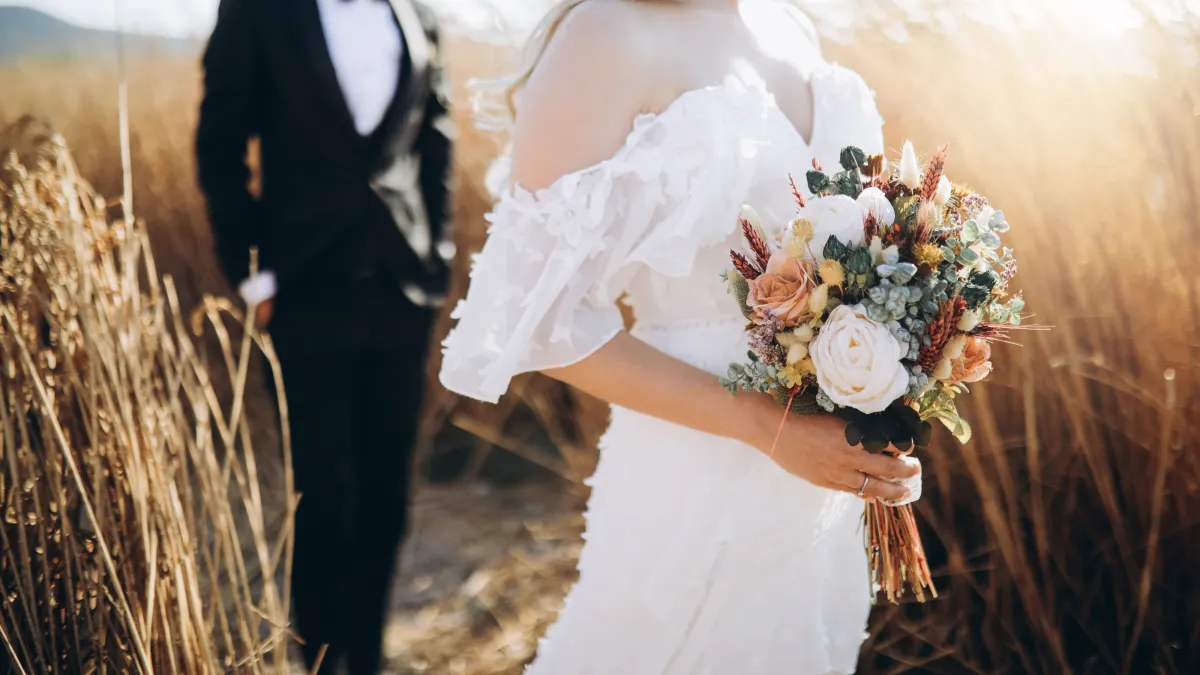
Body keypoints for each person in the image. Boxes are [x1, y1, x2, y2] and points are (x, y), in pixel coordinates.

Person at [440, 0, 924, 672]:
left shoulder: (792, 26)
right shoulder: (606, 33)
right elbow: (541, 319)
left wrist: (892, 383)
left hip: (817, 486)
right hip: (694, 471)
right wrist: (767, 426)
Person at [195, 0, 454, 671]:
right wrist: (253, 276)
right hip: (303, 289)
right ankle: (320, 658)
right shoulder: (256, 12)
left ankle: (367, 654)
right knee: (323, 490)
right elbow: (218, 143)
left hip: (403, 287)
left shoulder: (418, 12)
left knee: (387, 490)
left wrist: (440, 254)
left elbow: (436, 136)